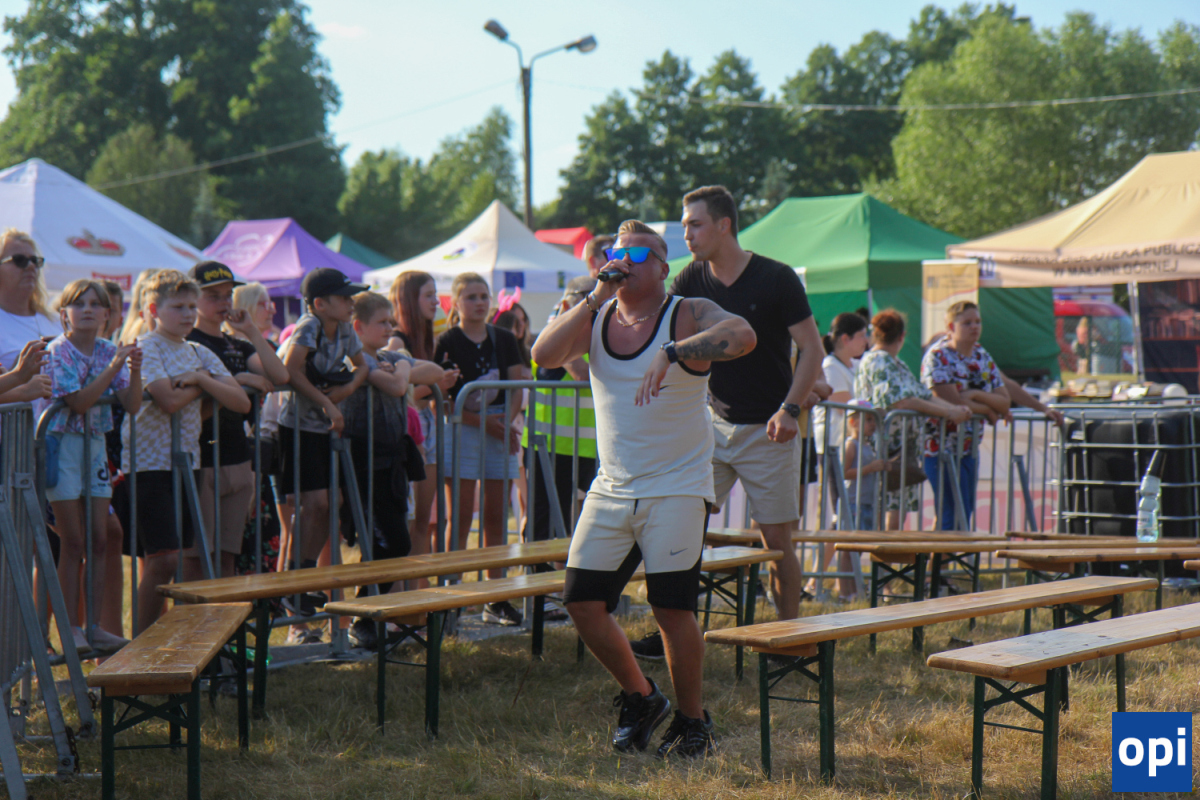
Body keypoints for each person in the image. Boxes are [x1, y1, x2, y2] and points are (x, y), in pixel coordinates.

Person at [532, 218, 756, 759]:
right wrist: (593, 297)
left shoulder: (687, 312)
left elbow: (744, 336)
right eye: (617, 253)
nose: (624, 262)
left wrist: (673, 352)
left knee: (671, 609)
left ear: (662, 267)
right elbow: (543, 355)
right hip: (611, 486)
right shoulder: (595, 315)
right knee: (582, 601)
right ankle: (641, 697)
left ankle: (694, 721)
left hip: (677, 487)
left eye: (638, 255)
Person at [667, 185, 824, 629]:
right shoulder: (689, 279)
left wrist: (790, 409)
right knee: (680, 525)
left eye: (695, 225)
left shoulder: (776, 277)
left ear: (724, 225)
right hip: (711, 427)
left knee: (776, 543)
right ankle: (674, 630)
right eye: (684, 226)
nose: (687, 235)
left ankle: (787, 638)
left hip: (769, 430)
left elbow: (812, 349)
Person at [121, 269, 250, 634]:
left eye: (192, 306)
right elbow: (168, 399)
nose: (188, 314)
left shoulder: (198, 351)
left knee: (177, 561)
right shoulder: (147, 346)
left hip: (186, 462)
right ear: (153, 309)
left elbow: (240, 402)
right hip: (148, 465)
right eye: (178, 307)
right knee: (163, 561)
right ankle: (141, 644)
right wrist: (204, 385)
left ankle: (178, 642)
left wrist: (200, 378)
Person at [44, 280, 142, 653]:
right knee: (72, 542)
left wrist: (134, 370)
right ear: (64, 314)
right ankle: (70, 628)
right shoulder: (59, 350)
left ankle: (95, 626)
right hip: (62, 447)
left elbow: (132, 404)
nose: (86, 309)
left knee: (99, 540)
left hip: (95, 446)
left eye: (94, 304)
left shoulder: (107, 350)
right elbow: (79, 403)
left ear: (106, 314)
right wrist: (115, 366)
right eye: (78, 303)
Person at [276, 268, 370, 644]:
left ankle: (302, 579)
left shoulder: (345, 328)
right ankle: (294, 581)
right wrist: (327, 404)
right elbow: (289, 371)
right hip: (298, 428)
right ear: (320, 304)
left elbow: (363, 366)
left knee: (332, 504)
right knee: (313, 504)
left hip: (324, 427)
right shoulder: (308, 326)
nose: (351, 303)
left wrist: (344, 392)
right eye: (345, 298)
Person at [433, 272, 529, 626]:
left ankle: (496, 597)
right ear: (456, 302)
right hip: (463, 429)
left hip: (501, 427)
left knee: (496, 516)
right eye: (471, 296)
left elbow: (516, 386)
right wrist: (482, 422)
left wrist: (507, 422)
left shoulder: (504, 337)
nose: (479, 302)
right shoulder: (446, 340)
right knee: (459, 515)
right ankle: (451, 596)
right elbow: (440, 400)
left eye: (484, 296)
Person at [184, 262, 289, 581]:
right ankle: (193, 616)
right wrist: (237, 379)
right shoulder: (186, 342)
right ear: (193, 298)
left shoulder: (238, 344)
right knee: (197, 558)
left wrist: (251, 331)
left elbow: (280, 375)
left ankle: (226, 616)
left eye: (227, 295)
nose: (223, 303)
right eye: (213, 296)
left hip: (237, 456)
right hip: (200, 457)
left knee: (227, 556)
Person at [521, 276, 599, 622]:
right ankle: (539, 599)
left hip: (585, 445)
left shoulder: (595, 333)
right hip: (548, 444)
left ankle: (576, 593)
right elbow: (582, 373)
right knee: (542, 523)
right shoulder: (559, 331)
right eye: (589, 298)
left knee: (586, 523)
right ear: (570, 302)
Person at [344, 291, 416, 650]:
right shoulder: (351, 361)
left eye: (391, 321)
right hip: (361, 464)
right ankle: (361, 616)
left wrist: (400, 364)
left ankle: (367, 618)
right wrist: (393, 370)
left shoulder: (388, 357)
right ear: (358, 326)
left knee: (390, 543)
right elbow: (400, 386)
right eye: (382, 322)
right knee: (389, 541)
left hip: (390, 466)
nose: (390, 327)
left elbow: (430, 371)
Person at [854, 310, 970, 530]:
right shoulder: (878, 360)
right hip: (884, 449)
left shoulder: (895, 362)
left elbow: (923, 396)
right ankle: (882, 553)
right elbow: (903, 402)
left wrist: (955, 409)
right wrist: (949, 412)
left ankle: (887, 553)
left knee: (896, 512)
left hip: (900, 451)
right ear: (902, 335)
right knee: (884, 511)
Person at [387, 271, 459, 587]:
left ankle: (419, 587)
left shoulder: (428, 338)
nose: (436, 302)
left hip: (426, 427)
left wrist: (441, 388)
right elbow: (403, 396)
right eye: (429, 295)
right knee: (409, 519)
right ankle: (406, 588)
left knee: (423, 521)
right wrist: (436, 386)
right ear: (409, 299)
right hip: (408, 431)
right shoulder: (396, 341)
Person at [920, 301, 1010, 530]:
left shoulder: (982, 355)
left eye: (977, 322)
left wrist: (976, 394)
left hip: (969, 449)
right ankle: (943, 555)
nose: (974, 327)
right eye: (967, 323)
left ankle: (949, 554)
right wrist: (988, 409)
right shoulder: (938, 356)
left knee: (964, 513)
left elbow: (1004, 401)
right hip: (940, 449)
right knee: (950, 514)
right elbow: (954, 402)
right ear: (951, 326)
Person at [0, 229, 56, 403]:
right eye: (19, 260)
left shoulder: (56, 320)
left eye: (35, 260)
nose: (31, 266)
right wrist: (20, 383)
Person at [813, 312, 869, 457]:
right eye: (862, 335)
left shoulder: (857, 365)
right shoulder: (830, 366)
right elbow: (845, 408)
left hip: (850, 444)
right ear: (845, 339)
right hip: (833, 444)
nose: (866, 340)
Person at [841, 400, 892, 538]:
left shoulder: (868, 445)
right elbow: (843, 473)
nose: (873, 424)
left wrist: (883, 466)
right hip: (854, 504)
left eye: (874, 420)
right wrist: (870, 468)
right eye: (868, 419)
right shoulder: (851, 445)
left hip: (868, 503)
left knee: (864, 542)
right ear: (853, 422)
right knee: (852, 543)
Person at [228, 281, 279, 346]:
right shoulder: (226, 347)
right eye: (265, 305)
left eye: (270, 305)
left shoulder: (270, 347)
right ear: (245, 307)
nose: (273, 311)